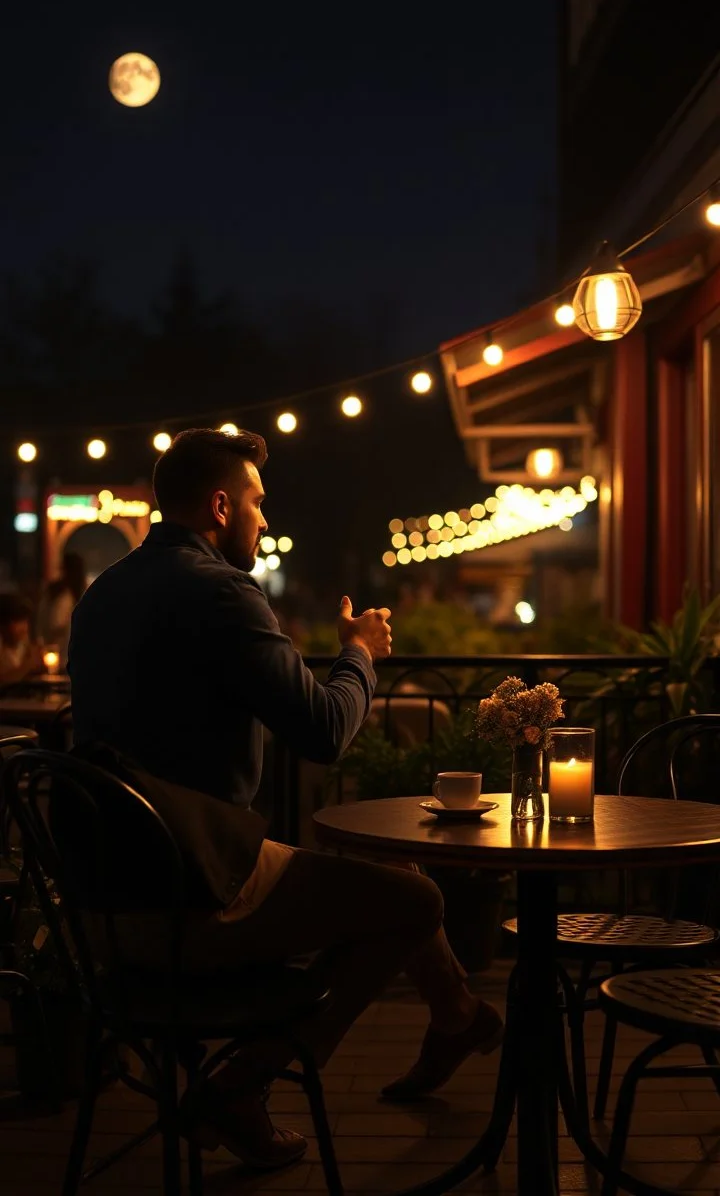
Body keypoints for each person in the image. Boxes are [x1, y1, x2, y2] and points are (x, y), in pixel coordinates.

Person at [68, 428, 502, 1168]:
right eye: (257, 504)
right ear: (219, 505)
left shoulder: (103, 595)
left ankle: (456, 1016)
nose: (264, 521)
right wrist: (360, 653)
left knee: (397, 878)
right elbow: (326, 731)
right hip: (193, 896)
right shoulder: (221, 591)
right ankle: (246, 1082)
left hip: (99, 901)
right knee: (418, 902)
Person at [37, 551, 88, 665]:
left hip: (60, 649)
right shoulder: (63, 595)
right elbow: (55, 623)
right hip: (59, 650)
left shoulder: (65, 593)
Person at [0, 594, 44, 685]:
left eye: (25, 621)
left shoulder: (23, 645)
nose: (24, 628)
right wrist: (29, 665)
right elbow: (3, 680)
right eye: (18, 622)